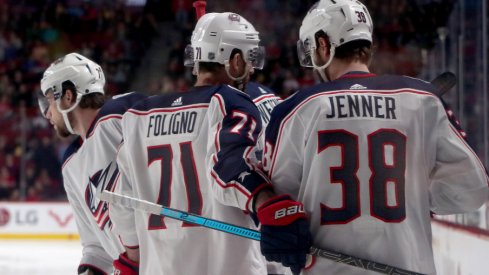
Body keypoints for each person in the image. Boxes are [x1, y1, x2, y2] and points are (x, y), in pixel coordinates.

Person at [260, 0, 489, 274]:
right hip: (408, 267)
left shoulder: (295, 109)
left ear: (323, 45)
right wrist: (414, 194)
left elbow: (276, 195)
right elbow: (473, 190)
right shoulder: (421, 99)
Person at [109, 12, 285, 275]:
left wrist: (133, 258)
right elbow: (234, 169)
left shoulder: (138, 116)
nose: (251, 69)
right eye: (249, 60)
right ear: (235, 61)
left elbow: (121, 205)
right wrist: (269, 206)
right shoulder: (230, 102)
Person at [38, 53, 146, 275]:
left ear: (67, 96)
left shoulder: (122, 114)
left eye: (49, 100)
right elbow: (96, 246)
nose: (47, 113)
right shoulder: (70, 164)